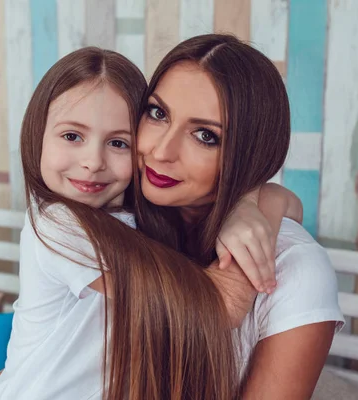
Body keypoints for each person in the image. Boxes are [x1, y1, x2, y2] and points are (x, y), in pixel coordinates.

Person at [0, 45, 304, 400]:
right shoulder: (59, 224)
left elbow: (292, 203)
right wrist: (258, 208)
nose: (92, 162)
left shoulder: (139, 220)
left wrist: (249, 202)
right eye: (72, 136)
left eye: (118, 142)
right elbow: (220, 308)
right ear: (36, 135)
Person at [134, 34, 344, 398]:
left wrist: (256, 200)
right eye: (158, 113)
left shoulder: (297, 270)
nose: (161, 151)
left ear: (252, 153)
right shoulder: (116, 216)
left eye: (205, 135)